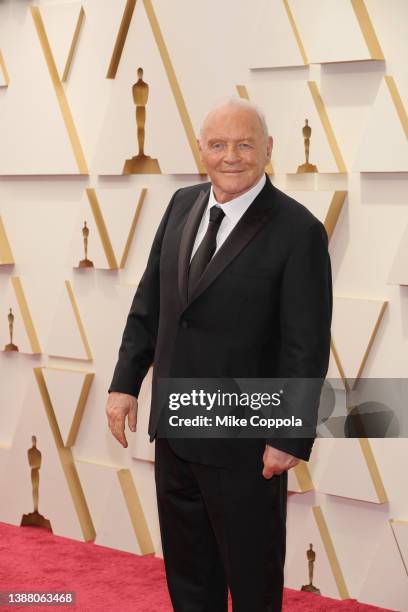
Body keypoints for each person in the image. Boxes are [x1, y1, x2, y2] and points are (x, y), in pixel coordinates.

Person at [106, 98, 332, 612]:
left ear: (268, 150)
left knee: (252, 581)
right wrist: (124, 384)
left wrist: (289, 436)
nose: (231, 156)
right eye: (218, 145)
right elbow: (151, 304)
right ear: (200, 150)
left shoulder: (299, 232)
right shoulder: (181, 204)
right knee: (188, 577)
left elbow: (306, 345)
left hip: (246, 444)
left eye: (245, 144)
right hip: (176, 432)